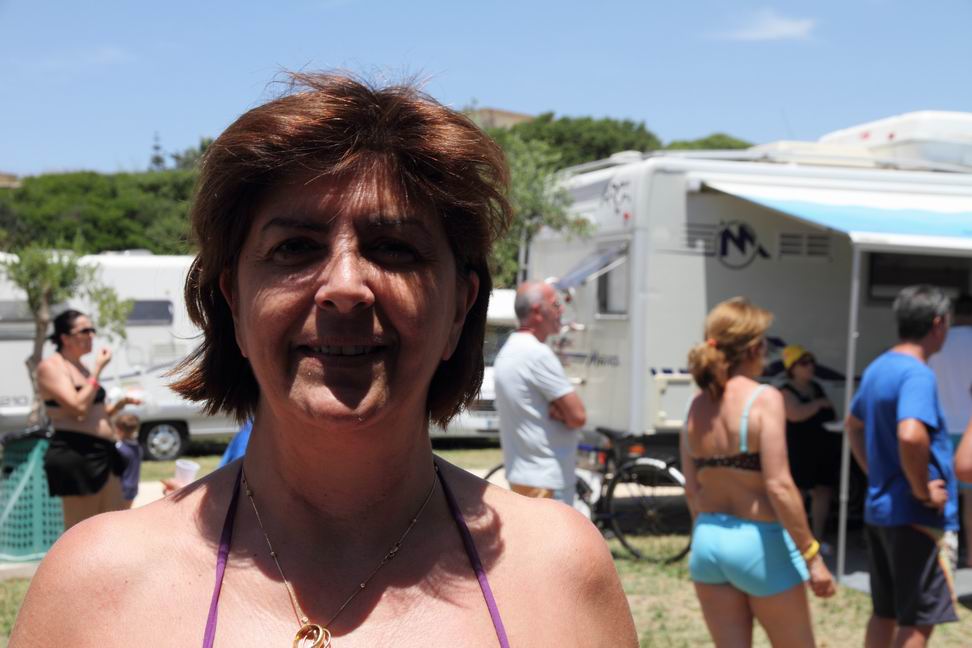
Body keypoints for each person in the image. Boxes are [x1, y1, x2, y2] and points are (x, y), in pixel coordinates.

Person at [11, 73, 637, 647]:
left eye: (394, 248)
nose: (344, 286)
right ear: (234, 302)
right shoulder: (95, 588)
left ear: (458, 307)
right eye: (295, 248)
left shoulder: (560, 571)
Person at [681, 297, 835, 648]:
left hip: (707, 540)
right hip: (759, 543)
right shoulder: (764, 398)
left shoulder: (695, 405)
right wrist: (812, 556)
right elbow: (779, 486)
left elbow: (692, 489)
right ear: (753, 348)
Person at [846, 285, 959, 648]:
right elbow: (911, 434)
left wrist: (875, 473)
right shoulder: (917, 374)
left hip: (881, 511)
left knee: (885, 612)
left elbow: (853, 425)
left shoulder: (879, 366)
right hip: (915, 517)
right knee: (918, 620)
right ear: (938, 324)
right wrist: (921, 490)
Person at [37, 309, 141, 529]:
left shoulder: (80, 368)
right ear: (65, 338)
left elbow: (96, 416)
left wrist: (120, 404)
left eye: (92, 330)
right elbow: (78, 407)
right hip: (77, 453)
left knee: (113, 526)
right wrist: (98, 370)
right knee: (81, 531)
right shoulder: (51, 367)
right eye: (85, 330)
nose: (92, 335)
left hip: (104, 453)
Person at [493, 281, 587, 505]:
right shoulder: (537, 354)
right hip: (548, 480)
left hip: (523, 474)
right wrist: (561, 411)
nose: (561, 310)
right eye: (555, 304)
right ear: (537, 311)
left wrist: (558, 409)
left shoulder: (509, 350)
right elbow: (578, 416)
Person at [779, 344, 839, 553]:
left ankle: (817, 538)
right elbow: (794, 414)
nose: (810, 367)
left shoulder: (816, 387)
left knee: (823, 491)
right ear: (792, 368)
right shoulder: (786, 391)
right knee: (798, 493)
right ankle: (795, 539)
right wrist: (818, 404)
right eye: (804, 363)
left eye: (812, 362)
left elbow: (831, 410)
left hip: (821, 447)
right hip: (799, 450)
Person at [928, 293, 972, 567]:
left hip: (941, 425)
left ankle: (942, 554)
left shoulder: (939, 342)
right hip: (969, 428)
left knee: (943, 493)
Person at [112, 412, 142, 510]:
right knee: (126, 511)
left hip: (121, 487)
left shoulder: (120, 448)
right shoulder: (137, 446)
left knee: (118, 512)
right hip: (133, 485)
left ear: (118, 430)